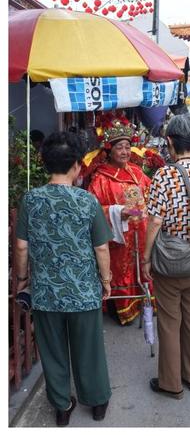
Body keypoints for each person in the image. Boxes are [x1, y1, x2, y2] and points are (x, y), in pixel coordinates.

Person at [15, 132, 113, 427]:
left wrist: (22, 279)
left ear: (46, 164)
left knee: (53, 351)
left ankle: (61, 406)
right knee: (89, 349)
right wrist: (105, 280)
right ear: (76, 167)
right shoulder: (88, 201)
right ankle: (96, 401)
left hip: (46, 293)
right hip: (83, 292)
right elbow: (101, 247)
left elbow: (21, 246)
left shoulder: (30, 200)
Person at [142, 113, 190, 400]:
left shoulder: (163, 176)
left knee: (169, 321)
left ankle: (171, 384)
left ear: (170, 142)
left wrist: (145, 258)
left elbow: (155, 222)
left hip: (168, 265)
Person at [88, 115, 153, 325]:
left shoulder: (137, 173)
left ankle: (145, 302)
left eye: (127, 147)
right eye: (119, 148)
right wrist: (116, 212)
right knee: (120, 270)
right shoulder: (101, 178)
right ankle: (120, 307)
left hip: (140, 232)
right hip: (119, 237)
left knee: (141, 266)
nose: (125, 152)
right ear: (109, 150)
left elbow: (150, 196)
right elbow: (93, 209)